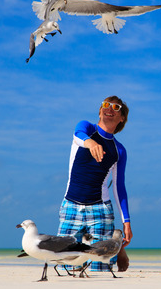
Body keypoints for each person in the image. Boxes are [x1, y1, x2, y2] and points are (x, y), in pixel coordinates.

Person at [57, 96, 133, 272]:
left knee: (100, 269)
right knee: (66, 265)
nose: (110, 109)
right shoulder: (86, 129)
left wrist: (126, 222)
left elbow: (119, 187)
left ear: (122, 118)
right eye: (106, 105)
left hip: (100, 211)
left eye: (116, 107)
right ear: (100, 111)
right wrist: (91, 143)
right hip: (70, 206)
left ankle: (117, 249)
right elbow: (78, 135)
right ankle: (119, 250)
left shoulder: (119, 150)